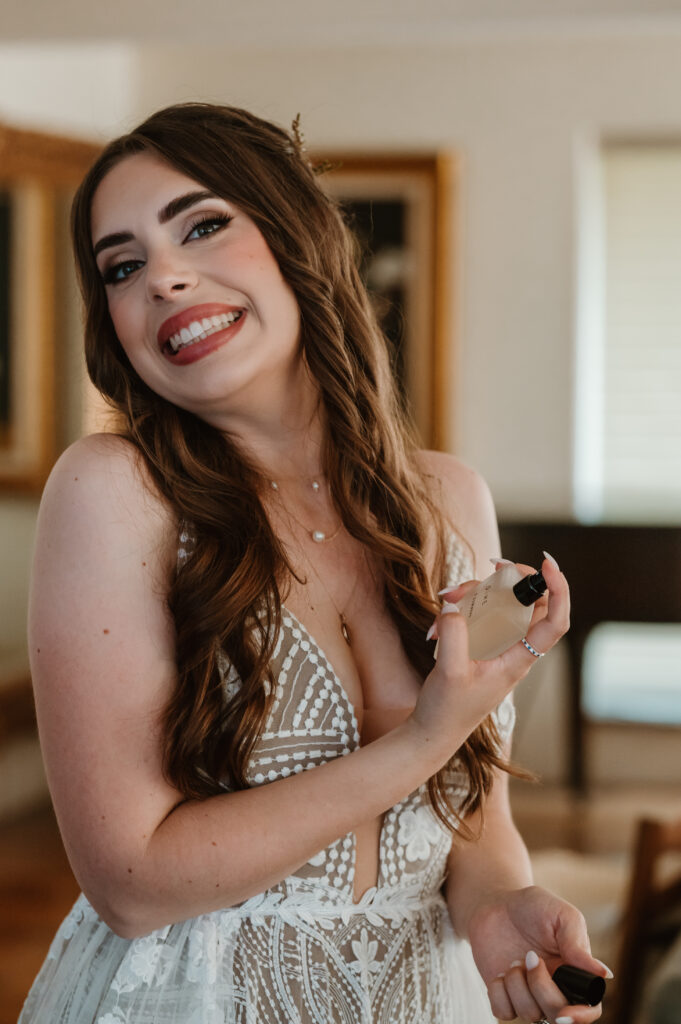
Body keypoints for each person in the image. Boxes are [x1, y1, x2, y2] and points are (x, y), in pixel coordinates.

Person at [20, 102, 607, 1024]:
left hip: (420, 994)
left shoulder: (448, 500)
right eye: (123, 267)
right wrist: (420, 738)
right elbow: (131, 882)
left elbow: (474, 822)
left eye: (203, 225)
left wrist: (499, 907)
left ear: (297, 239)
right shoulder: (114, 492)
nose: (163, 280)